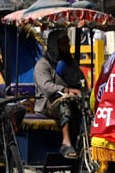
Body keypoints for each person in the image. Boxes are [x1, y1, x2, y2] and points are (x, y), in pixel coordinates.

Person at [34, 29, 87, 159]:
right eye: (64, 43)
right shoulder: (42, 64)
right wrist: (66, 91)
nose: (68, 45)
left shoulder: (70, 62)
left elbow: (80, 80)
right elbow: (46, 87)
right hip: (47, 103)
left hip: (73, 99)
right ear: (55, 45)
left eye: (68, 42)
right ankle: (66, 142)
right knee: (65, 102)